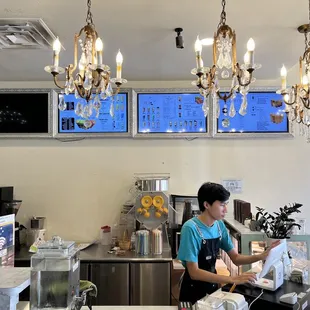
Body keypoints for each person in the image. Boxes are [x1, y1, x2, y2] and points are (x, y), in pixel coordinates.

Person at [177, 182, 280, 304]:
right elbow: (194, 272)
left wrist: (261, 256)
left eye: (226, 204)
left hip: (212, 288)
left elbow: (235, 258)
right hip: (192, 292)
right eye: (222, 205)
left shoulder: (219, 225)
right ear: (206, 205)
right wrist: (231, 279)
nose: (226, 209)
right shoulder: (191, 228)